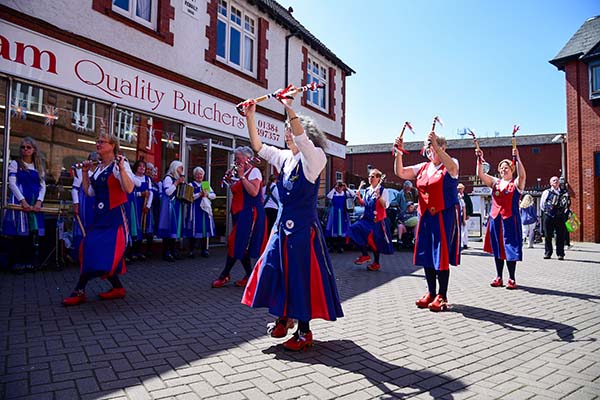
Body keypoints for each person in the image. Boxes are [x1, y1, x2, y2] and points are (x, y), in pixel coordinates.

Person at [240, 90, 343, 351]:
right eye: (286, 131)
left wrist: (289, 108)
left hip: (302, 232)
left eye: (290, 131)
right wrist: (250, 117)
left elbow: (302, 140)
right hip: (281, 230)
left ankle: (304, 331)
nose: (287, 135)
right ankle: (283, 319)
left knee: (300, 277)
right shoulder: (285, 158)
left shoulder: (315, 158)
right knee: (274, 271)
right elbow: (259, 147)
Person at [62, 134, 135, 306]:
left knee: (97, 250)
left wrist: (122, 169)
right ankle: (118, 288)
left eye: (102, 142)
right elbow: (89, 192)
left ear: (113, 145)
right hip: (100, 216)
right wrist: (86, 173)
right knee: (92, 248)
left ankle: (79, 290)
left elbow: (129, 188)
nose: (98, 144)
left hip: (115, 216)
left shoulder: (120, 164)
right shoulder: (99, 167)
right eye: (98, 141)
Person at [393, 132, 460, 312]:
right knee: (427, 253)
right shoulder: (423, 167)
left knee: (441, 253)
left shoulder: (451, 163)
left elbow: (453, 169)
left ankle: (442, 295)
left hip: (443, 214)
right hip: (425, 216)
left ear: (443, 147)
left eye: (434, 147)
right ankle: (431, 292)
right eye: (429, 147)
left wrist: (437, 145)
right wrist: (399, 152)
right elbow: (400, 172)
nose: (430, 151)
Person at [211, 146, 267, 288]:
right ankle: (249, 276)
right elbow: (238, 191)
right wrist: (231, 180)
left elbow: (254, 192)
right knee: (240, 245)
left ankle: (224, 275)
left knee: (234, 242)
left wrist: (241, 176)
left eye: (238, 158)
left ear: (247, 157)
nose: (236, 161)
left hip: (250, 213)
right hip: (240, 213)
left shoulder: (254, 171)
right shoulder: (242, 172)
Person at [477, 149, 526, 289]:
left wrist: (518, 158)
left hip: (510, 219)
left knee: (510, 247)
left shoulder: (516, 183)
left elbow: (522, 175)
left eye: (507, 167)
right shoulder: (495, 182)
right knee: (497, 247)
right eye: (502, 168)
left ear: (512, 169)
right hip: (495, 218)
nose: (504, 170)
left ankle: (512, 278)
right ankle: (499, 276)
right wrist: (479, 160)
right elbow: (480, 174)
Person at [2, 137, 47, 273]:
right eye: (23, 147)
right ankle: (16, 263)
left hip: (34, 202)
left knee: (32, 233)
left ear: (33, 150)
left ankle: (29, 262)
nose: (25, 150)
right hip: (20, 202)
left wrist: (39, 201)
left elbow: (42, 186)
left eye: (28, 147)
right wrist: (23, 201)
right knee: (19, 233)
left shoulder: (38, 166)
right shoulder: (15, 164)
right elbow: (12, 184)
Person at [348, 168, 394, 271]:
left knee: (374, 241)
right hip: (366, 219)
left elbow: (385, 205)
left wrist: (379, 197)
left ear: (378, 178)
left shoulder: (383, 190)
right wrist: (359, 198)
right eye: (369, 176)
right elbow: (365, 204)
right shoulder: (368, 190)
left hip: (377, 220)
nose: (370, 178)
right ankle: (365, 255)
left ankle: (376, 263)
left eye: (372, 176)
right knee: (352, 230)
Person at [70, 152, 99, 263]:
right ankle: (80, 255)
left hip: (95, 203)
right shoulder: (81, 171)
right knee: (82, 228)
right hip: (84, 202)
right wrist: (76, 204)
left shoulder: (99, 173)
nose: (95, 163)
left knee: (94, 228)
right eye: (93, 160)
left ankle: (92, 255)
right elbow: (74, 189)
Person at [158, 160, 186, 261]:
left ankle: (173, 250)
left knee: (174, 229)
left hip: (176, 206)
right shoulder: (168, 178)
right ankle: (166, 252)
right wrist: (177, 183)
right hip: (169, 207)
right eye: (180, 168)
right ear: (174, 168)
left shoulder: (176, 179)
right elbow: (168, 192)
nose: (182, 170)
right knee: (168, 228)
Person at [185, 166, 216, 258]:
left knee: (204, 230)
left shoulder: (205, 184)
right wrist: (199, 194)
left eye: (201, 174)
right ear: (194, 175)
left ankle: (204, 250)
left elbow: (213, 195)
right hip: (195, 210)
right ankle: (191, 250)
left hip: (204, 211)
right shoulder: (191, 185)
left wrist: (207, 194)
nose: (199, 176)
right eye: (198, 174)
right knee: (194, 230)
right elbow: (189, 197)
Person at [540, 176, 569, 260]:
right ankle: (548, 253)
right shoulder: (547, 192)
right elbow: (542, 204)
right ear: (550, 183)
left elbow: (567, 203)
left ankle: (560, 254)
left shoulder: (563, 192)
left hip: (560, 216)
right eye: (554, 180)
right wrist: (547, 211)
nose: (556, 182)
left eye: (557, 180)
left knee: (560, 235)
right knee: (548, 235)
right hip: (549, 216)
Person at [130, 160, 153, 260]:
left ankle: (139, 251)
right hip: (135, 205)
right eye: (140, 166)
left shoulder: (148, 179)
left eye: (144, 166)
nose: (142, 168)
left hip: (145, 206)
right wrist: (140, 194)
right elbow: (129, 193)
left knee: (143, 228)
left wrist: (148, 206)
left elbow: (150, 193)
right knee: (135, 227)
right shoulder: (132, 178)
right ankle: (132, 252)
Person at [325, 180, 355, 253]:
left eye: (341, 187)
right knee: (333, 229)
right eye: (338, 186)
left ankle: (340, 247)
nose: (339, 188)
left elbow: (353, 195)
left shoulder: (345, 193)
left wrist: (347, 188)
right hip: (334, 213)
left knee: (342, 230)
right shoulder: (334, 193)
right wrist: (334, 189)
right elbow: (328, 196)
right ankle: (332, 246)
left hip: (343, 213)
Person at [457, 183, 469, 249]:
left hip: (461, 216)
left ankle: (463, 244)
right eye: (458, 189)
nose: (459, 190)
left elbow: (464, 209)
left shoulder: (463, 199)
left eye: (460, 189)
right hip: (456, 216)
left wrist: (464, 218)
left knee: (463, 230)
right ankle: (459, 243)